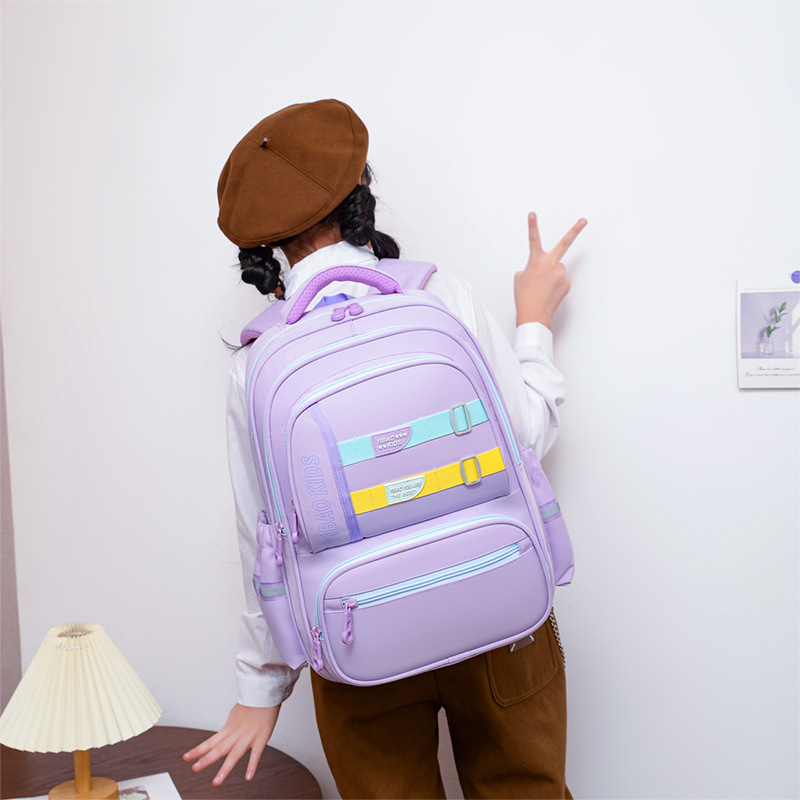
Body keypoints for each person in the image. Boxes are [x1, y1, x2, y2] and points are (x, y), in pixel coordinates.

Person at [184, 99, 586, 799]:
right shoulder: (441, 297)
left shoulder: (257, 364)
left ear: (262, 248)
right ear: (359, 194)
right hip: (498, 607)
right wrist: (533, 322)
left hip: (356, 642)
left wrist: (261, 687)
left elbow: (264, 539)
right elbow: (526, 437)